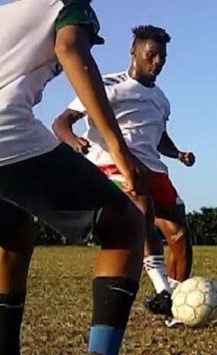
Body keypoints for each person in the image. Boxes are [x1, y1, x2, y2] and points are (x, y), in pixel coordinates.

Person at [0, 1, 150, 355]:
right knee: (125, 223)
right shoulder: (67, 5)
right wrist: (119, 151)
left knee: (15, 228)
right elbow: (70, 47)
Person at [52, 25, 195, 317]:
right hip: (114, 163)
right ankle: (162, 289)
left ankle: (177, 304)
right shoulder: (104, 85)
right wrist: (74, 141)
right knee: (142, 208)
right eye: (151, 55)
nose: (157, 63)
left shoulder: (162, 99)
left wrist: (178, 153)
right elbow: (61, 122)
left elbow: (158, 137)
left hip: (153, 168)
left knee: (179, 235)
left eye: (162, 58)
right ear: (134, 51)